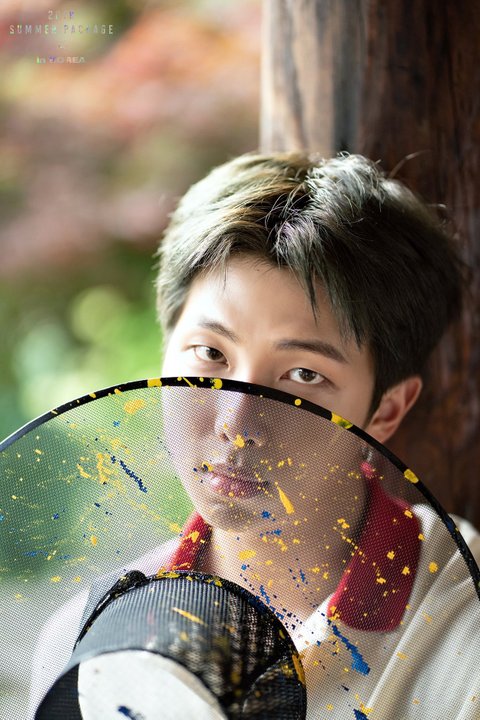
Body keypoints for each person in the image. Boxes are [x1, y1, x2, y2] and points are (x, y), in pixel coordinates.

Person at [30, 152, 480, 719]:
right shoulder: (87, 639)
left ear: (385, 411)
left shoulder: (460, 633)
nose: (236, 425)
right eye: (209, 353)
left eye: (304, 376)